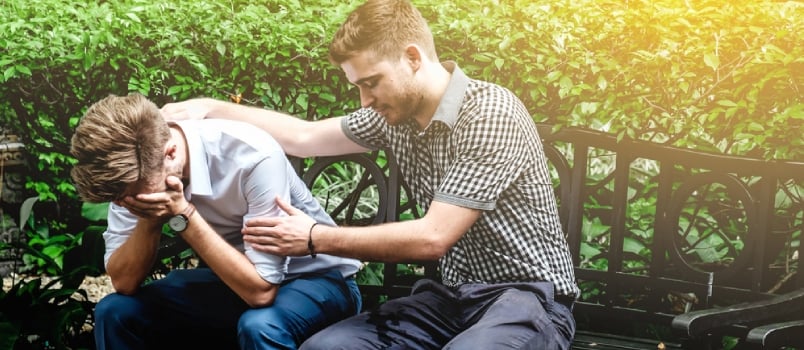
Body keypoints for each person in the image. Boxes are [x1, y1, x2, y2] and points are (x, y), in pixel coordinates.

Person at [161, 0, 579, 348]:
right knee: (327, 348)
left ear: (413, 58)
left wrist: (313, 238)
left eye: (372, 82)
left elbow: (434, 237)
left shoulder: (489, 112)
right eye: (357, 87)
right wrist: (211, 107)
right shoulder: (393, 118)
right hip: (449, 300)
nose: (364, 99)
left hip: (528, 299)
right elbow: (304, 137)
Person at [69, 93, 363, 350]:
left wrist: (185, 215)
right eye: (118, 199)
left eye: (131, 195)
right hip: (232, 283)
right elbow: (123, 281)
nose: (124, 203)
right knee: (116, 311)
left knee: (260, 325)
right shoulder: (130, 177)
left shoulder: (251, 155)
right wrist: (149, 219)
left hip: (320, 280)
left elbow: (261, 291)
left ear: (169, 152)